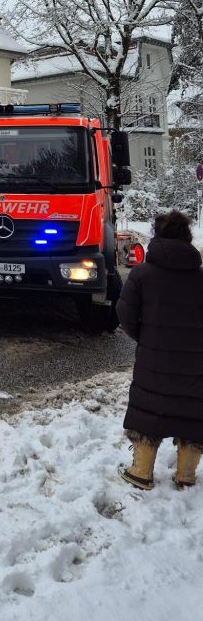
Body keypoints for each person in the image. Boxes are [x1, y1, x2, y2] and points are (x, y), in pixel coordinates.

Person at [117, 210, 203, 490]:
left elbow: (125, 313)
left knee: (148, 409)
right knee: (193, 411)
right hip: (195, 362)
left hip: (153, 357)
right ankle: (186, 475)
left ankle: (141, 472)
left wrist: (146, 337)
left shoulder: (142, 273)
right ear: (187, 237)